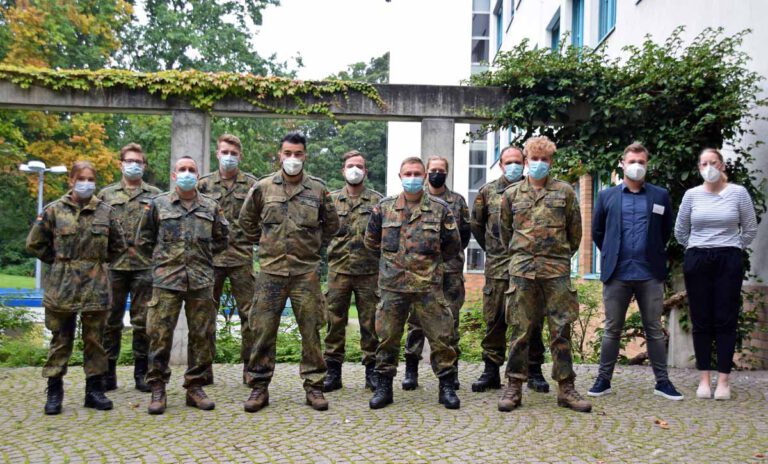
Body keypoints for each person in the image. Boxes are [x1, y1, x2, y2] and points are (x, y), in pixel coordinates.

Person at [240, 132, 340, 412]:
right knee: (262, 330)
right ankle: (259, 387)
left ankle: (314, 387)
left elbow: (332, 226)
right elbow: (246, 222)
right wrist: (266, 245)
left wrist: (312, 246)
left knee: (311, 331)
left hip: (305, 273)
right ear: (280, 154)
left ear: (305, 155)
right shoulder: (262, 188)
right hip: (270, 272)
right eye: (288, 153)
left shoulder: (318, 190)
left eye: (298, 154)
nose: (292, 159)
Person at [498, 136, 591, 413]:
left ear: (551, 162)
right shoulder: (512, 195)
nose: (539, 164)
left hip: (556, 272)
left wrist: (557, 256)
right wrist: (522, 255)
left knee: (560, 330)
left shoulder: (565, 192)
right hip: (522, 271)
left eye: (544, 160)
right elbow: (505, 234)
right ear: (526, 162)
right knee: (520, 330)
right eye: (534, 159)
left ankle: (566, 387)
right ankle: (514, 386)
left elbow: (575, 234)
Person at [27, 160, 126, 415]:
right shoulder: (53, 211)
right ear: (70, 180)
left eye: (91, 178)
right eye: (81, 178)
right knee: (61, 341)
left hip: (96, 288)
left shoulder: (106, 212)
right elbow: (36, 243)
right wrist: (61, 263)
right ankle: (54, 391)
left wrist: (95, 265)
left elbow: (118, 246)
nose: (86, 183)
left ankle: (94, 390)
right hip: (62, 288)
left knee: (95, 341)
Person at [364, 156, 462, 410]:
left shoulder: (441, 209)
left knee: (442, 337)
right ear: (400, 176)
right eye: (407, 173)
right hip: (393, 287)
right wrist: (394, 265)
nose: (413, 178)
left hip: (428, 287)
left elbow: (452, 245)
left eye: (417, 173)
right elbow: (371, 243)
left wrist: (428, 266)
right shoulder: (383, 208)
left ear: (425, 176)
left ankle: (447, 386)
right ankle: (384, 386)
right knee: (387, 338)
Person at [589, 143, 683, 400]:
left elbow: (665, 231)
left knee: (653, 328)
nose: (637, 165)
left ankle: (662, 382)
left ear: (647, 164)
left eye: (641, 161)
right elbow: (598, 232)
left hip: (649, 273)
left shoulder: (660, 196)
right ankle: (603, 380)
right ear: (622, 163)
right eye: (632, 161)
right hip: (617, 273)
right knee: (611, 330)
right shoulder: (606, 196)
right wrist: (611, 253)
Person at [136, 156, 229, 414]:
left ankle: (195, 387)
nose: (187, 173)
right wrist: (161, 264)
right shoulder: (158, 205)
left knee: (202, 336)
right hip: (166, 281)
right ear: (174, 175)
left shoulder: (211, 207)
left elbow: (221, 239)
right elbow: (143, 241)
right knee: (159, 336)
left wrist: (202, 261)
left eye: (192, 170)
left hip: (200, 281)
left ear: (198, 176)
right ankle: (157, 388)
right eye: (182, 170)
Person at [674, 148, 757, 400]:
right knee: (701, 319)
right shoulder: (692, 195)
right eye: (703, 163)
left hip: (728, 258)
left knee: (725, 317)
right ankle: (704, 379)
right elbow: (680, 230)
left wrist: (732, 247)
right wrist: (697, 247)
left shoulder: (738, 193)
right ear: (699, 168)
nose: (708, 167)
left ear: (722, 166)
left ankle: (723, 380)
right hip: (698, 257)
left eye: (713, 162)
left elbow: (750, 228)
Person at [470, 146, 550, 394]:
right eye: (508, 162)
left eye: (518, 161)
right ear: (501, 165)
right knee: (494, 320)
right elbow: (476, 225)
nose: (513, 165)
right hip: (499, 268)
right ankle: (491, 371)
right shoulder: (487, 191)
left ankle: (534, 370)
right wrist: (496, 250)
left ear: (524, 162)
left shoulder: (538, 190)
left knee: (532, 321)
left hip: (530, 268)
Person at [98, 143, 162, 393]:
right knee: (110, 321)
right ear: (120, 164)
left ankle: (141, 372)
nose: (134, 165)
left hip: (144, 267)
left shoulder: (155, 196)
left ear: (144, 165)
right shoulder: (106, 195)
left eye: (139, 161)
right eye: (129, 161)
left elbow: (162, 231)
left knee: (143, 322)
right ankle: (107, 371)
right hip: (113, 266)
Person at [402, 155, 470, 391]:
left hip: (450, 273)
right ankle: (411, 370)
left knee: (450, 323)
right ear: (426, 172)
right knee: (416, 322)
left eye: (441, 170)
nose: (436, 173)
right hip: (420, 274)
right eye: (433, 170)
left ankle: (451, 372)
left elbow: (464, 236)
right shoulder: (414, 201)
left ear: (447, 172)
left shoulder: (458, 201)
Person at [198, 134, 258, 384]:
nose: (229, 157)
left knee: (250, 315)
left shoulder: (253, 185)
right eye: (225, 152)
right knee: (204, 315)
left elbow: (261, 219)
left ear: (240, 156)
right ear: (217, 153)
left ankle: (250, 368)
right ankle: (203, 368)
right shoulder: (203, 185)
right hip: (210, 260)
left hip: (241, 259)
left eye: (234, 153)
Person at [322, 150, 383, 392]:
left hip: (369, 272)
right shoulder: (330, 200)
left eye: (359, 166)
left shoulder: (378, 201)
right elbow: (321, 232)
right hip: (338, 270)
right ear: (343, 170)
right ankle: (332, 373)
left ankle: (372, 373)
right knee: (334, 322)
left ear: (366, 172)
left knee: (370, 323)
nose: (354, 170)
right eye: (350, 165)